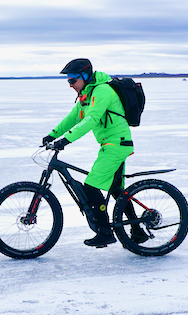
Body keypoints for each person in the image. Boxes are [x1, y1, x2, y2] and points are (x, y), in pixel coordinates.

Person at [43, 58, 142, 248]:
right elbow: (72, 118)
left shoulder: (102, 91)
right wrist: (52, 135)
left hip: (116, 144)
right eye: (68, 81)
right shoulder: (86, 95)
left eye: (73, 81)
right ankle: (138, 232)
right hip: (110, 144)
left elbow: (91, 119)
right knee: (116, 190)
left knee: (90, 186)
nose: (70, 85)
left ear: (85, 76)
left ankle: (105, 232)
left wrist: (66, 140)